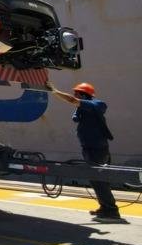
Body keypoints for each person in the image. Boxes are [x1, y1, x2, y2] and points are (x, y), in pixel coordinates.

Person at [47, 81, 121, 222]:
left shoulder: (97, 104)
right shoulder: (83, 108)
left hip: (97, 148)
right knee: (95, 179)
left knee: (99, 179)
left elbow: (72, 100)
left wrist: (54, 91)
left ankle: (111, 211)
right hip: (89, 147)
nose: (75, 96)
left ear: (83, 94)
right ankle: (105, 207)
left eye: (77, 93)